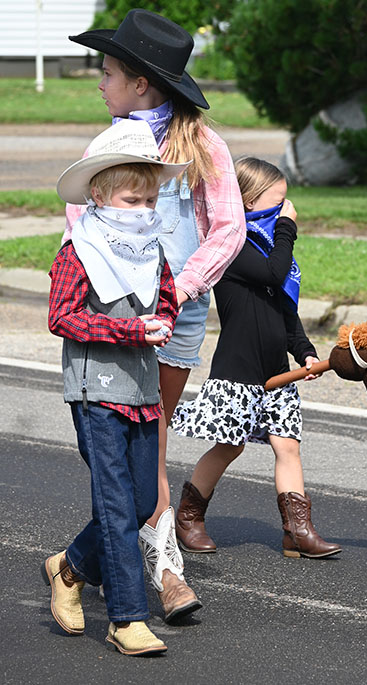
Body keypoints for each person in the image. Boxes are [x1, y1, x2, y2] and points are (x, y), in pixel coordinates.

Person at [64, 9, 246, 622]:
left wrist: (183, 288)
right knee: (130, 454)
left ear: (140, 83)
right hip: (115, 323)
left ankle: (102, 566)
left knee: (150, 441)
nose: (100, 84)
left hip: (176, 320)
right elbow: (79, 234)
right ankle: (158, 570)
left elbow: (228, 228)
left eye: (108, 73)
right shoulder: (106, 149)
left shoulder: (203, 145)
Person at [44, 120, 187, 655]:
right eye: (132, 199)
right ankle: (127, 619)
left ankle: (70, 568)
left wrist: (164, 321)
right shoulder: (78, 251)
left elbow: (166, 299)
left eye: (150, 199)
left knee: (143, 499)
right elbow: (62, 317)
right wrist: (128, 331)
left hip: (142, 388)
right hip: (95, 390)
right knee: (116, 503)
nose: (143, 208)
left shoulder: (152, 251)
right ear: (99, 197)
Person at [170, 157, 341, 559]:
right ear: (247, 202)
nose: (285, 210)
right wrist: (287, 229)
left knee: (288, 446)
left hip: (275, 371)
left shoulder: (269, 248)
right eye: (277, 203)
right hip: (237, 369)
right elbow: (272, 274)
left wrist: (305, 351)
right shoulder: (232, 245)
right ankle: (188, 518)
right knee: (230, 446)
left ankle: (298, 531)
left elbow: (284, 310)